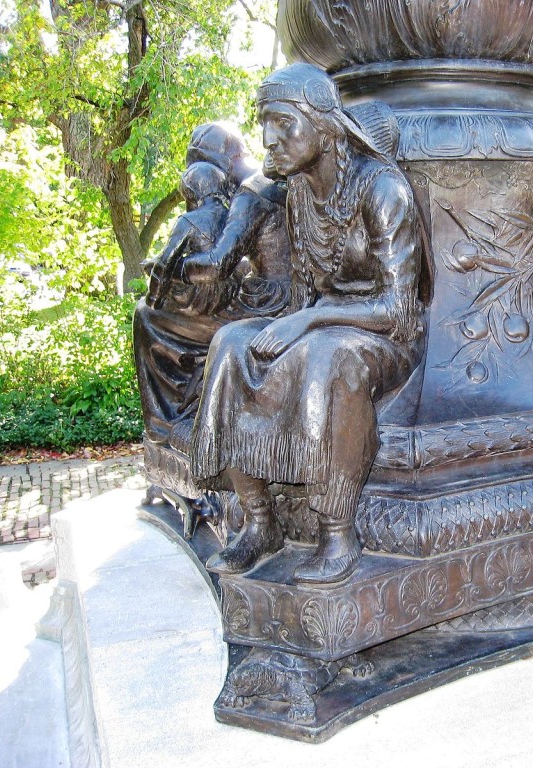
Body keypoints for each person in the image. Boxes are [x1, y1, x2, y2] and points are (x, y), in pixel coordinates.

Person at [188, 63, 426, 583]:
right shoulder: (298, 191)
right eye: (264, 124)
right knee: (232, 342)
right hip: (324, 323)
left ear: (324, 125)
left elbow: (399, 309)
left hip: (384, 334)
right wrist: (294, 321)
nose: (268, 139)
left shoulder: (382, 188)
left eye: (282, 123)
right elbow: (302, 292)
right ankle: (259, 522)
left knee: (329, 356)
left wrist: (309, 321)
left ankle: (338, 532)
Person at [133, 125, 296, 445]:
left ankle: (167, 421)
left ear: (225, 163)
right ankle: (193, 412)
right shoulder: (275, 179)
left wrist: (172, 268)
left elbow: (217, 265)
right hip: (288, 294)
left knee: (148, 316)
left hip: (269, 303)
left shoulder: (250, 192)